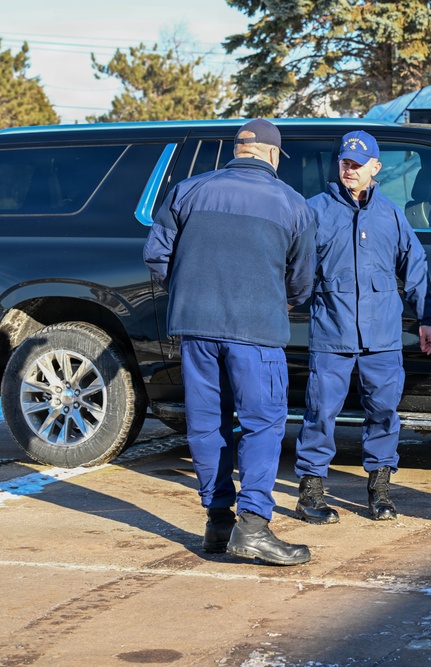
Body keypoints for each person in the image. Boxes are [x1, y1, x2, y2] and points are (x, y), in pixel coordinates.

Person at [143, 119, 316, 566]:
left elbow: (157, 255)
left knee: (207, 423)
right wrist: (283, 303)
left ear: (236, 150)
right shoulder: (292, 204)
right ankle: (254, 526)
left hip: (196, 329)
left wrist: (188, 295)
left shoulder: (188, 190)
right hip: (256, 332)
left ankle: (218, 522)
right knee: (262, 423)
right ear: (273, 155)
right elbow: (301, 279)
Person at [294, 130, 431, 524]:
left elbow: (416, 264)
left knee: (384, 412)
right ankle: (310, 492)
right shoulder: (315, 210)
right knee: (320, 412)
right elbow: (294, 266)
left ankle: (380, 490)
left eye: (357, 164)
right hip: (332, 334)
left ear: (376, 167)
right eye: (345, 163)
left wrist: (426, 318)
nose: (349, 170)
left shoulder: (390, 213)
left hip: (383, 337)